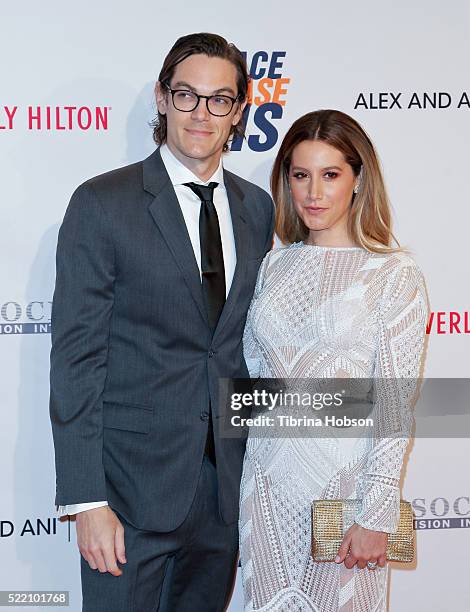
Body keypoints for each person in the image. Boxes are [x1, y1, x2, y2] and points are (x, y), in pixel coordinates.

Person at [49, 32, 274, 612]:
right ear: (161, 97)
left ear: (239, 110)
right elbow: (76, 358)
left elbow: (245, 349)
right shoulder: (103, 203)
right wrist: (85, 500)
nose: (202, 113)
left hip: (222, 496)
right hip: (127, 496)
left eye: (219, 99)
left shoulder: (258, 209)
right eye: (187, 95)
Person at [239, 109, 428, 611]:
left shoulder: (393, 274)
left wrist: (377, 513)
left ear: (358, 179)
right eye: (300, 175)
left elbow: (392, 403)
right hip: (266, 487)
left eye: (330, 175)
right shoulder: (274, 264)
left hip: (345, 492)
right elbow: (257, 379)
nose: (313, 193)